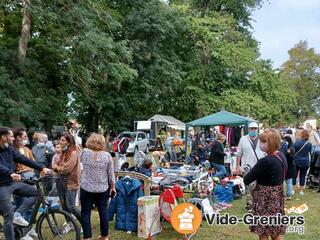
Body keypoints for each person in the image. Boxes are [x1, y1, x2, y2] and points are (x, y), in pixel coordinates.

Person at [0, 127, 50, 240]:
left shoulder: (9, 149)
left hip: (12, 183)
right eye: (11, 136)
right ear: (3, 137)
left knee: (37, 193)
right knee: (8, 217)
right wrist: (10, 173)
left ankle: (18, 214)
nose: (13, 138)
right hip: (1, 186)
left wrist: (42, 167)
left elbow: (23, 159)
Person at [244, 129, 288, 240]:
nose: (260, 143)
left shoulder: (266, 161)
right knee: (275, 230)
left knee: (263, 231)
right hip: (277, 196)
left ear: (271, 143)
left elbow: (247, 179)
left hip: (264, 198)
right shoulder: (281, 155)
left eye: (263, 141)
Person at [80, 133, 115, 240]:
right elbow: (111, 173)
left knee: (85, 212)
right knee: (103, 212)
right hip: (102, 188)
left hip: (86, 187)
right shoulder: (107, 155)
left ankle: (87, 237)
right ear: (102, 143)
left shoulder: (84, 153)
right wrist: (113, 186)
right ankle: (104, 236)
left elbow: (79, 163)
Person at [12, 128, 38, 239]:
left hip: (31, 177)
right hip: (20, 178)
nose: (27, 138)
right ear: (18, 137)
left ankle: (28, 228)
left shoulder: (27, 149)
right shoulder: (12, 150)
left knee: (31, 206)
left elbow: (33, 162)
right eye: (25, 136)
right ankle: (22, 233)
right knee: (20, 204)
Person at [236, 122, 265, 211]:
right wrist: (238, 166)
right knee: (249, 186)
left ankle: (259, 203)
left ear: (257, 129)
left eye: (255, 128)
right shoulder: (243, 139)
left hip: (260, 166)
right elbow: (238, 154)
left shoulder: (262, 138)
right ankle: (250, 205)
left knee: (260, 186)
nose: (253, 130)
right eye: (251, 128)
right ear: (248, 129)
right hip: (247, 167)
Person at [52, 133, 80, 215]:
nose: (60, 142)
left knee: (71, 207)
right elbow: (54, 164)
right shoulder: (63, 153)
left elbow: (66, 169)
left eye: (63, 140)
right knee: (64, 206)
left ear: (69, 142)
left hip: (71, 183)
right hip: (61, 182)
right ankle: (70, 223)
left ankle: (84, 223)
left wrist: (58, 168)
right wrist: (58, 167)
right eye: (60, 140)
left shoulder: (73, 153)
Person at [292, 129, 312, 196]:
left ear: (301, 135)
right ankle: (301, 191)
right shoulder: (309, 144)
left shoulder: (296, 143)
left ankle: (293, 190)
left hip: (296, 161)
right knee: (302, 176)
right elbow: (310, 152)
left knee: (294, 175)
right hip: (305, 161)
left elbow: (293, 152)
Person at [283, 136, 296, 200]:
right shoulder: (284, 146)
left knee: (288, 182)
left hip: (289, 167)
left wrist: (288, 153)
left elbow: (292, 157)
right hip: (285, 166)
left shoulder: (291, 147)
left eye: (285, 140)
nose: (284, 141)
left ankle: (289, 195)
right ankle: (285, 194)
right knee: (286, 182)